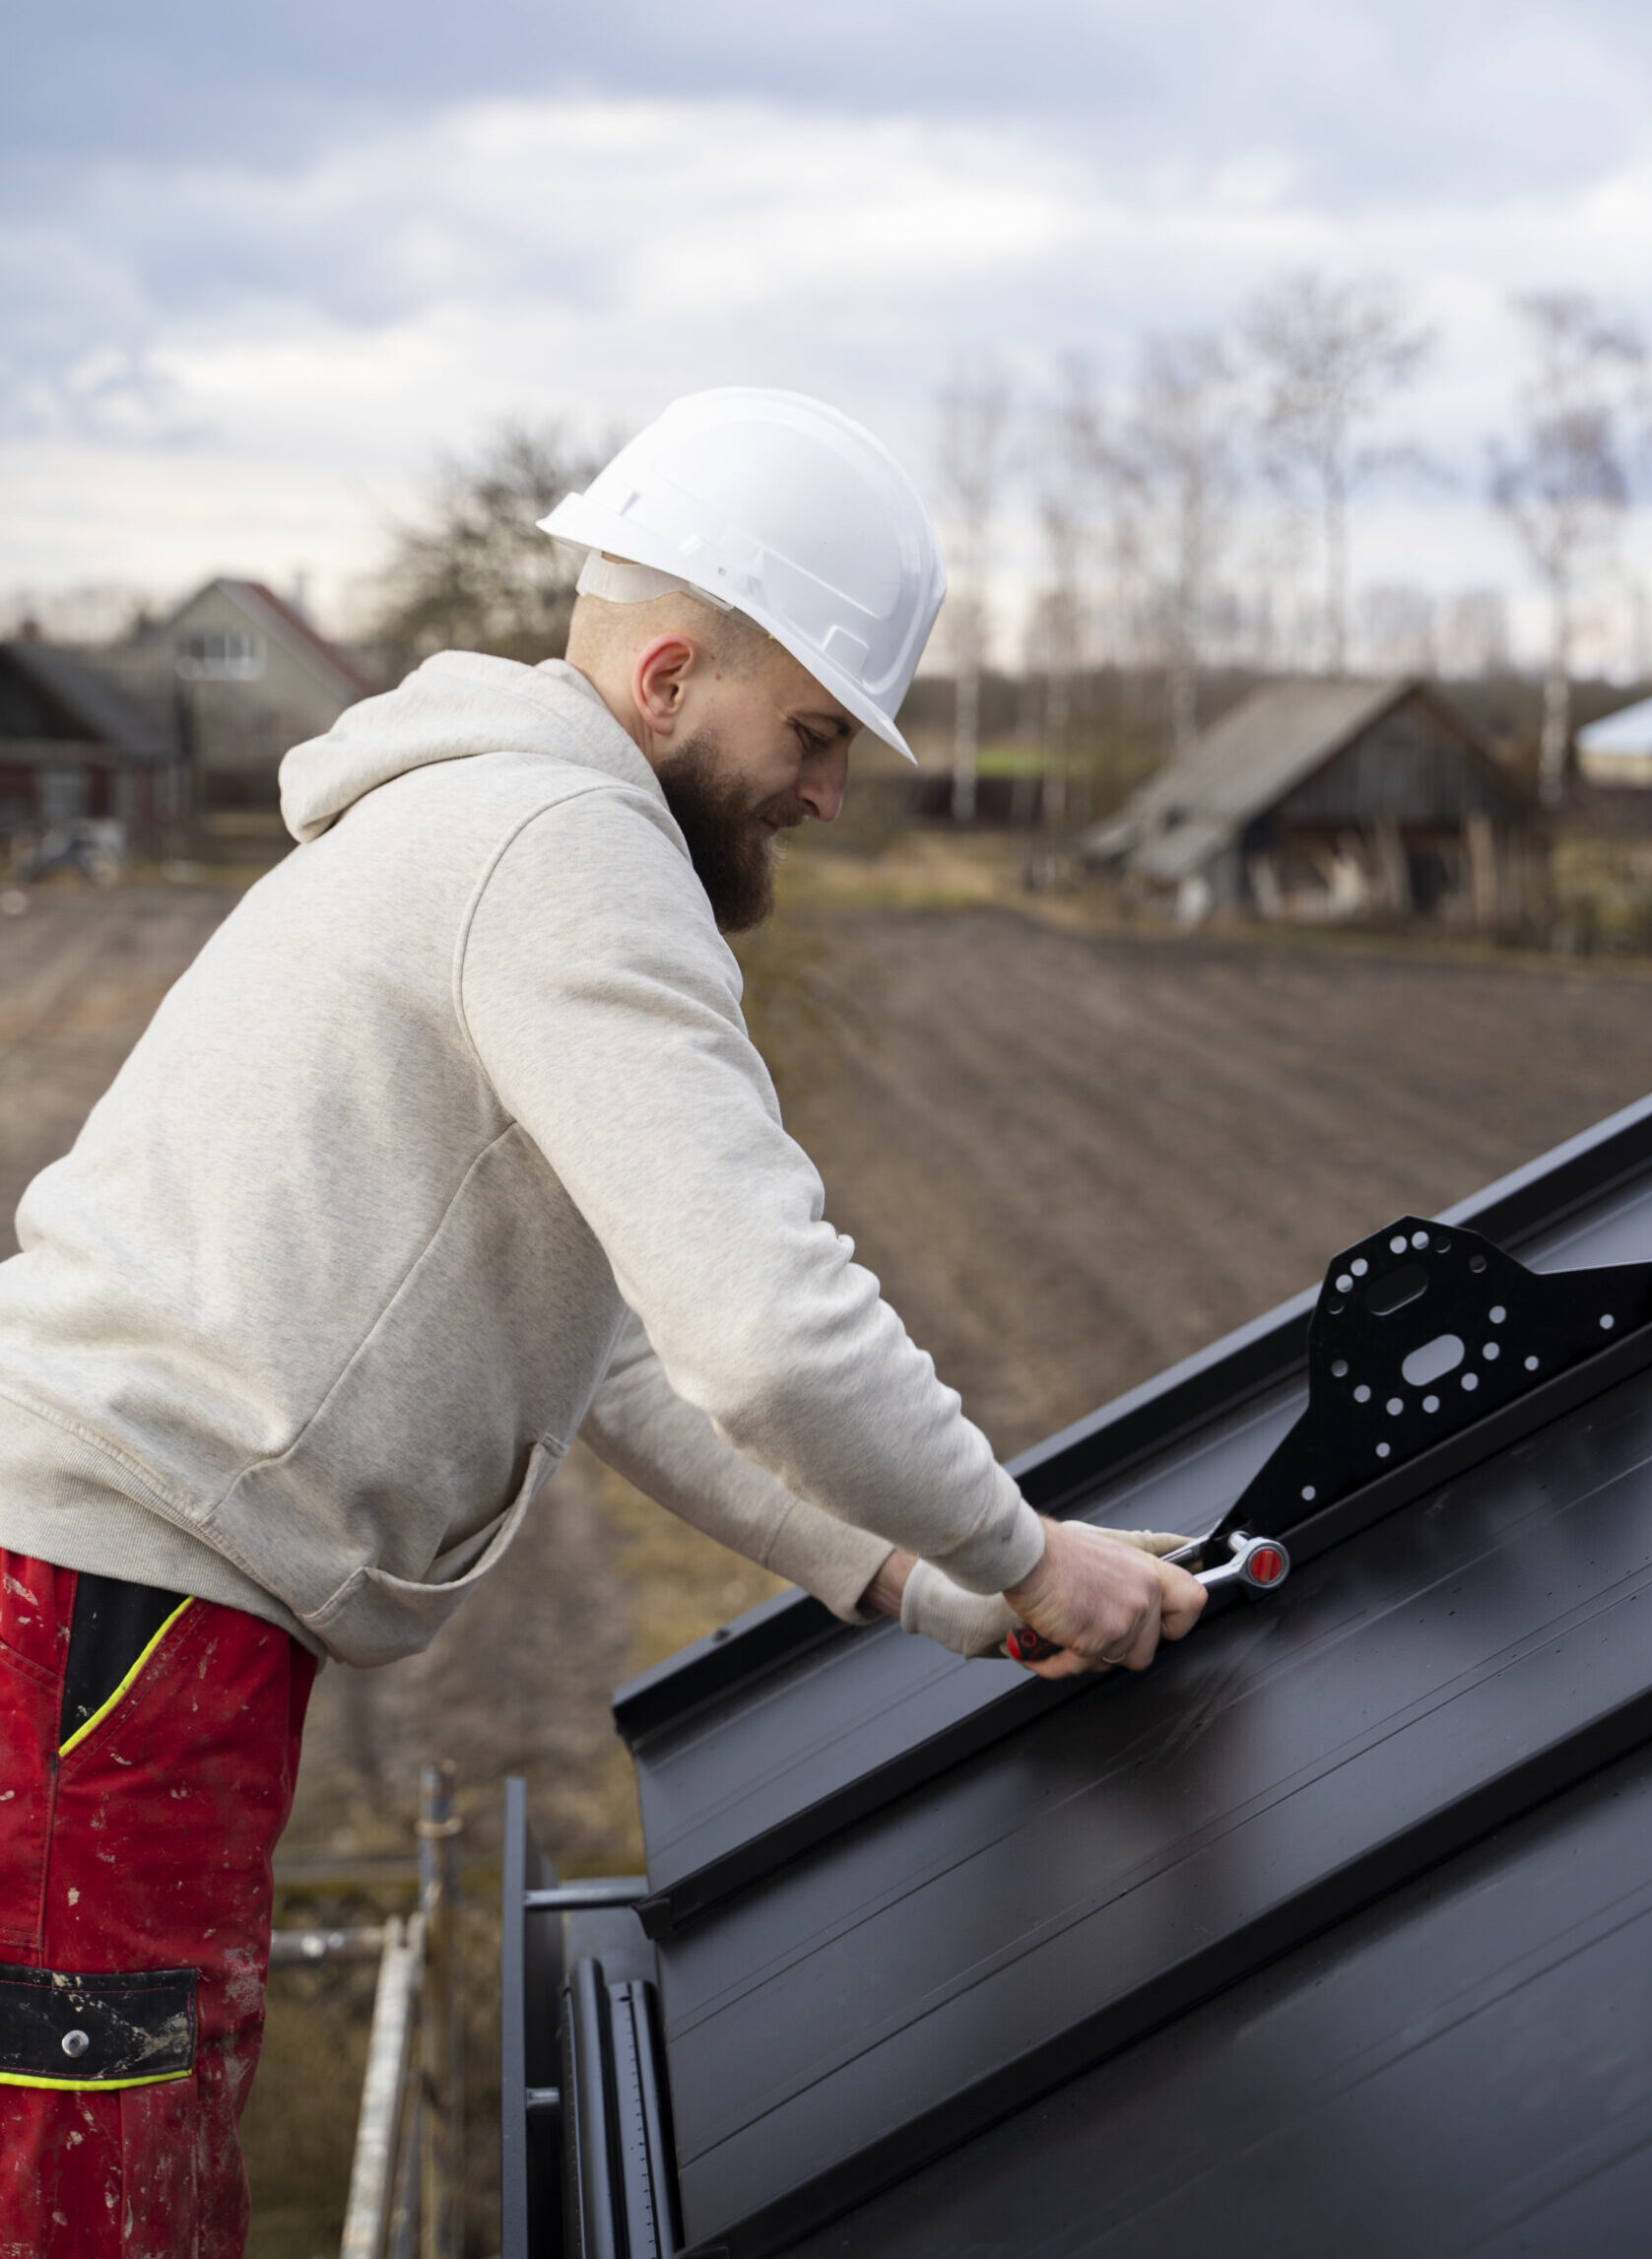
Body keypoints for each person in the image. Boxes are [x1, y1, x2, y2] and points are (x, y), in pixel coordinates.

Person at [0, 389, 1205, 2253]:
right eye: (812, 732)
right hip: (100, 1615)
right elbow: (775, 1331)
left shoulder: (492, 825)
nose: (827, 789)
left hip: (110, 1604)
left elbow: (624, 1352)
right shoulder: (568, 850)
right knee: (98, 2199)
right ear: (665, 675)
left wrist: (922, 1584)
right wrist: (1034, 1553)